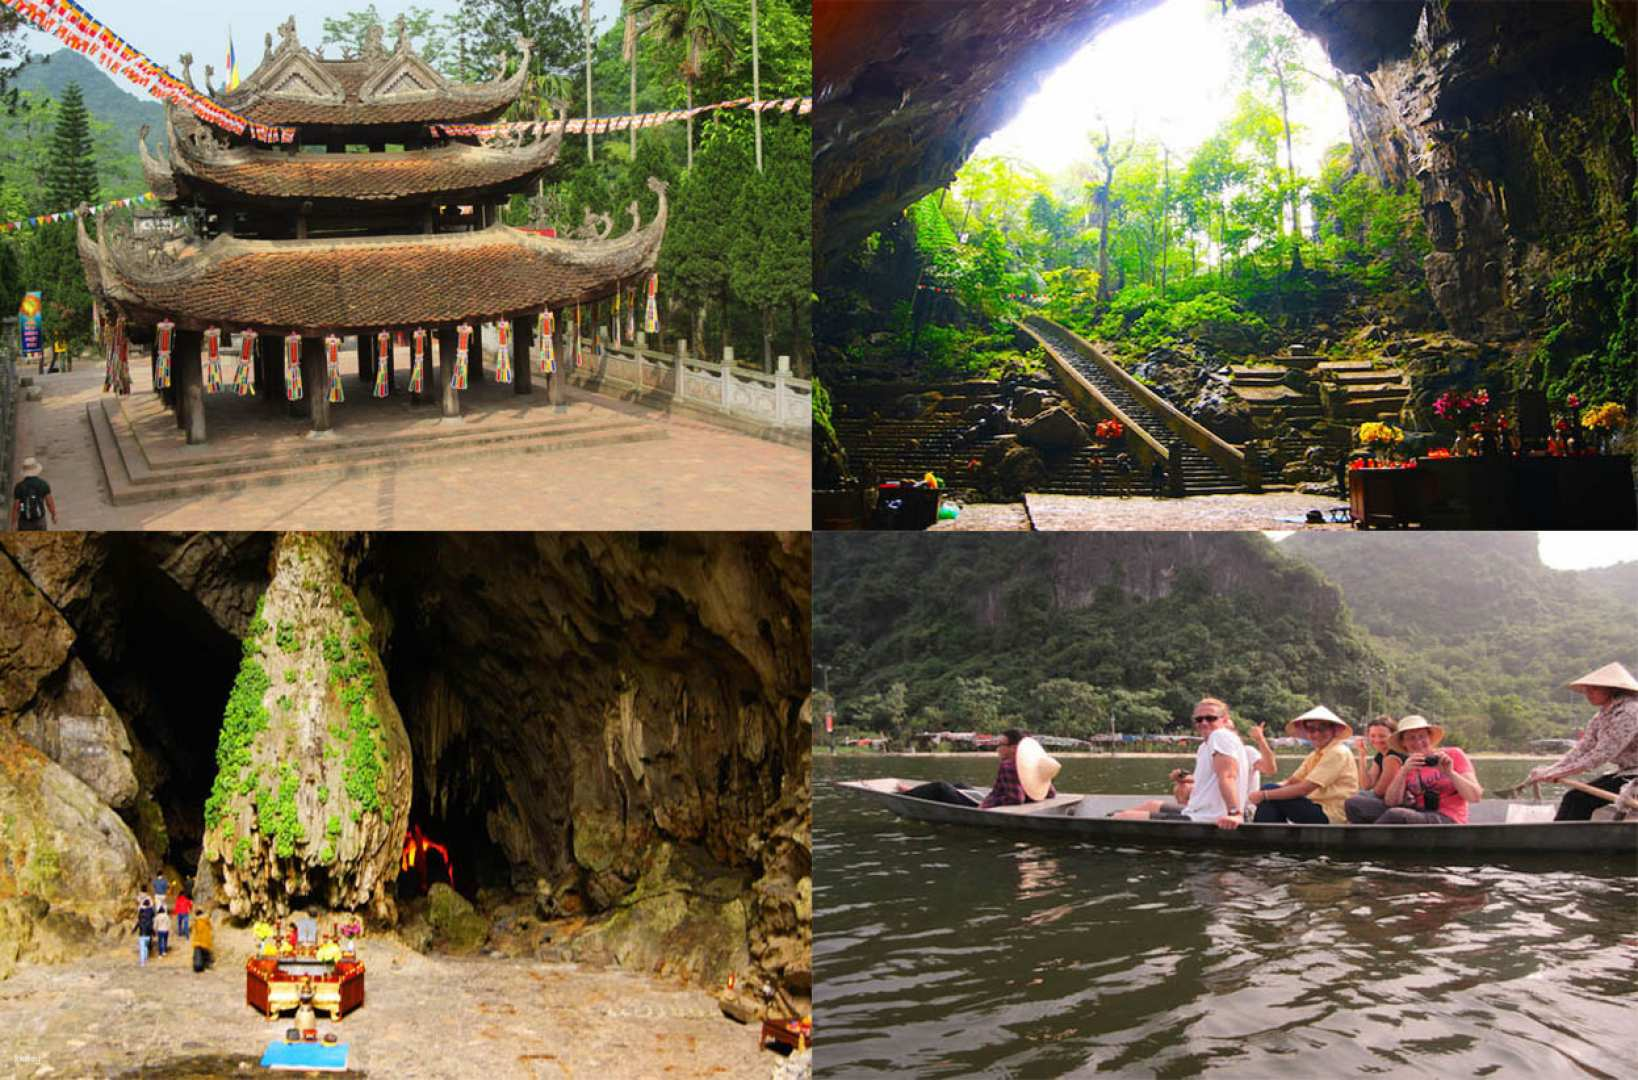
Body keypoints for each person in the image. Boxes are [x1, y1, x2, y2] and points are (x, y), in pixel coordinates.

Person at [1525, 662, 1638, 821]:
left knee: (1578, 800)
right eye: (1587, 689)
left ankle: (1565, 843)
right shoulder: (1601, 716)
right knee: (1573, 797)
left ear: (1612, 690)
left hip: (1634, 775)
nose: (1588, 693)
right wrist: (1551, 769)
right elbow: (1582, 748)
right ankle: (1557, 840)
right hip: (1627, 772)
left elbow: (1602, 754)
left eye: (1594, 689)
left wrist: (1560, 772)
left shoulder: (1630, 711)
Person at [1113, 698, 1248, 829]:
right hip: (1197, 811)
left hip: (1208, 817)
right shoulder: (1205, 746)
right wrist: (1185, 779)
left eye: (1211, 718)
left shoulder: (1220, 736)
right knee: (1151, 805)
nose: (1204, 722)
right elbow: (1210, 779)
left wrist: (1235, 814)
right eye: (1199, 719)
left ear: (1224, 720)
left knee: (1120, 818)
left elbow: (1228, 776)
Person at [1240, 706, 1358, 825]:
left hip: (1331, 813)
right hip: (1314, 806)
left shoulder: (1337, 752)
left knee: (1269, 793)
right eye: (1311, 729)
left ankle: (1262, 837)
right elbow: (1292, 781)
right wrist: (1263, 792)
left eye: (1322, 729)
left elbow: (1305, 788)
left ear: (1334, 730)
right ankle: (1268, 837)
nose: (1316, 734)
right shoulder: (1315, 754)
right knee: (1270, 791)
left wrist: (1265, 794)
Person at [897, 730, 1060, 809]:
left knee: (940, 787)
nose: (998, 747)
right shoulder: (1035, 765)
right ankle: (916, 791)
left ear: (1013, 748)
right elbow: (1050, 793)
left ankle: (908, 795)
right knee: (960, 785)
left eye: (1001, 744)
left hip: (989, 806)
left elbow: (1015, 799)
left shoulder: (1009, 765)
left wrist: (987, 803)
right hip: (995, 800)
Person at [1374, 714, 1481, 824]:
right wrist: (1403, 772)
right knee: (1360, 805)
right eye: (1411, 738)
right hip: (1421, 814)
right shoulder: (1408, 765)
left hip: (1450, 818)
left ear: (1429, 737)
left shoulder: (1452, 755)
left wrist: (1450, 773)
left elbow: (1475, 797)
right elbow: (1391, 802)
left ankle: (1364, 839)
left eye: (1422, 736)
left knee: (1395, 815)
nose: (1418, 742)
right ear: (1403, 743)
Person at [1344, 716, 1406, 823]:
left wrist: (1368, 792)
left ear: (1393, 736)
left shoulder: (1393, 756)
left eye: (1382, 736)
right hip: (1385, 801)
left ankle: (1360, 835)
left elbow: (1380, 791)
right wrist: (1362, 755)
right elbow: (1366, 785)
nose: (1377, 740)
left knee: (1352, 802)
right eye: (1373, 736)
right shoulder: (1381, 755)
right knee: (1359, 795)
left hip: (1399, 804)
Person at [9, 458, 57, 532]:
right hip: (39, 520)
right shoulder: (43, 484)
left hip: (24, 522)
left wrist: (13, 523)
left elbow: (16, 507)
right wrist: (53, 515)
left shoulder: (19, 486)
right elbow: (49, 503)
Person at [134, 895, 155, 967]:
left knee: (142, 948)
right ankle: (146, 958)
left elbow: (136, 926)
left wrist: (133, 931)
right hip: (148, 935)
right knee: (146, 947)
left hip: (142, 935)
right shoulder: (149, 919)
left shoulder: (140, 920)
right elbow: (151, 928)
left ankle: (142, 962)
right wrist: (154, 933)